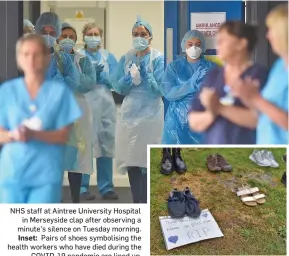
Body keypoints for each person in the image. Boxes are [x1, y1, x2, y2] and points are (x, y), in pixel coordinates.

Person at [0, 34, 82, 203]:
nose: (31, 59)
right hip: (12, 173)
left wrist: (34, 135)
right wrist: (14, 135)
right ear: (18, 59)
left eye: (37, 54)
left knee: (37, 226)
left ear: (46, 58)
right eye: (26, 54)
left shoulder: (60, 93)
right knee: (11, 227)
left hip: (45, 175)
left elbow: (62, 135)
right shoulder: (7, 91)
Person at [111, 17, 164, 203]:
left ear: (151, 37)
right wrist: (126, 80)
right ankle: (137, 202)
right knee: (131, 159)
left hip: (151, 113)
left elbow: (160, 90)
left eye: (143, 34)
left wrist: (148, 77)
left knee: (146, 159)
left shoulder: (158, 58)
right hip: (129, 113)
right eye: (135, 35)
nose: (138, 38)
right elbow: (119, 87)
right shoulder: (127, 57)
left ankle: (148, 200)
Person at [188, 21, 268, 144]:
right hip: (214, 155)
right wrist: (211, 113)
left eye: (223, 40)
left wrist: (220, 108)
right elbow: (194, 121)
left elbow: (262, 120)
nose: (218, 44)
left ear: (241, 43)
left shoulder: (258, 75)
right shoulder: (214, 75)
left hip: (248, 156)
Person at [231, 4, 288, 144]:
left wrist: (257, 99)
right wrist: (248, 98)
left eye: (272, 30)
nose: (268, 36)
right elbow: (268, 112)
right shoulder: (279, 66)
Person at [79, 22, 118, 200]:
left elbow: (117, 81)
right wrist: (89, 76)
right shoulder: (78, 56)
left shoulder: (108, 57)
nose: (93, 37)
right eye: (90, 33)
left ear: (101, 37)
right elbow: (75, 82)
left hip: (105, 104)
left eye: (96, 34)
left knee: (105, 144)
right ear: (84, 37)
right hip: (85, 103)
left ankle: (106, 187)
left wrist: (106, 78)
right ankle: (81, 187)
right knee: (84, 145)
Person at [58, 22, 96, 203]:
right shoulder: (51, 58)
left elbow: (89, 84)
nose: (67, 40)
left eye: (71, 37)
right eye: (64, 36)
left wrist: (74, 72)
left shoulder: (83, 60)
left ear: (76, 40)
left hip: (78, 110)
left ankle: (75, 199)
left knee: (76, 157)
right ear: (57, 38)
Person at [161, 30, 215, 144]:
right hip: (177, 121)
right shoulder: (174, 67)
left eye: (198, 45)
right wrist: (190, 84)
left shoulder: (211, 67)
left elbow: (219, 93)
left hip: (202, 118)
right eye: (190, 44)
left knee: (201, 156)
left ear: (203, 46)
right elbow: (169, 94)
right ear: (184, 45)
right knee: (174, 158)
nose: (194, 48)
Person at [35, 12, 80, 91]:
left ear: (57, 34)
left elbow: (74, 84)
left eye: (52, 33)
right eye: (44, 32)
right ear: (38, 32)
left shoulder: (64, 59)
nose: (48, 36)